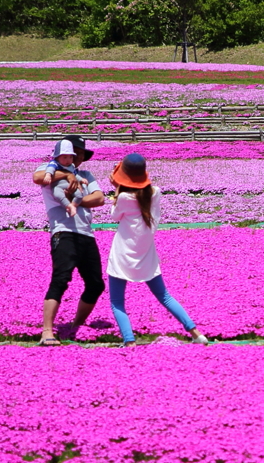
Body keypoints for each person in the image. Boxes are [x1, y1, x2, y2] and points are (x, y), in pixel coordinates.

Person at [107, 153, 209, 347]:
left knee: (117, 301)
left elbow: (114, 216)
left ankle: (129, 341)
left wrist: (117, 189)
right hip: (146, 254)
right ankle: (196, 333)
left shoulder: (123, 198)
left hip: (122, 255)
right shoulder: (155, 192)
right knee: (164, 296)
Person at [31, 135, 106, 346]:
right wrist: (66, 176)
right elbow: (37, 177)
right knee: (61, 279)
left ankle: (76, 326)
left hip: (86, 233)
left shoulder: (86, 174)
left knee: (96, 284)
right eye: (76, 152)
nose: (79, 157)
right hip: (63, 231)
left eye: (81, 153)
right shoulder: (51, 170)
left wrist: (75, 200)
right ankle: (47, 331)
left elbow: (99, 198)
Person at [43, 139, 87, 218]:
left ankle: (72, 206)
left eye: (70, 157)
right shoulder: (54, 163)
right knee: (58, 194)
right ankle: (69, 205)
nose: (68, 160)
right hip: (58, 186)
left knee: (79, 195)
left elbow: (75, 175)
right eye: (65, 157)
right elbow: (50, 169)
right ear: (57, 157)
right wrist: (48, 175)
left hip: (70, 185)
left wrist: (81, 179)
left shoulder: (71, 166)